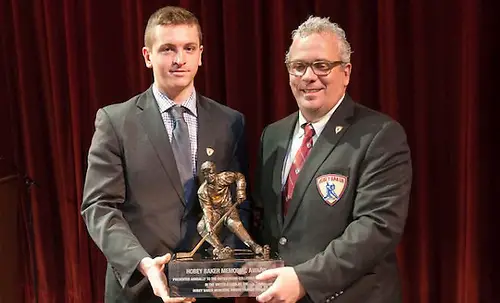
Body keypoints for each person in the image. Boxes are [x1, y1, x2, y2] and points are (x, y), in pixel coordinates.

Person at [81, 6, 250, 303]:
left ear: (201, 54)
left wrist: (229, 267)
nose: (179, 59)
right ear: (147, 56)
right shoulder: (115, 121)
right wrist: (144, 265)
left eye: (188, 48)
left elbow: (239, 205)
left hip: (207, 290)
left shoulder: (230, 122)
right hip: (140, 289)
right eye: (168, 49)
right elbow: (99, 207)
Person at [253, 16, 412, 303]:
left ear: (347, 72)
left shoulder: (379, 135)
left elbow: (377, 228)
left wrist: (305, 279)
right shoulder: (272, 136)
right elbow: (262, 219)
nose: (308, 76)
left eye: (322, 66)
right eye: (298, 67)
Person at [197, 161, 263, 259]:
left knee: (234, 224)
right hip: (214, 212)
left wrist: (240, 191)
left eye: (210, 172)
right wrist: (209, 224)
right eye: (205, 174)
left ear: (215, 171)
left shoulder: (224, 177)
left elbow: (239, 176)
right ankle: (219, 248)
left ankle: (253, 245)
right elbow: (207, 209)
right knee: (202, 227)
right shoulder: (202, 191)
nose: (209, 176)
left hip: (228, 209)